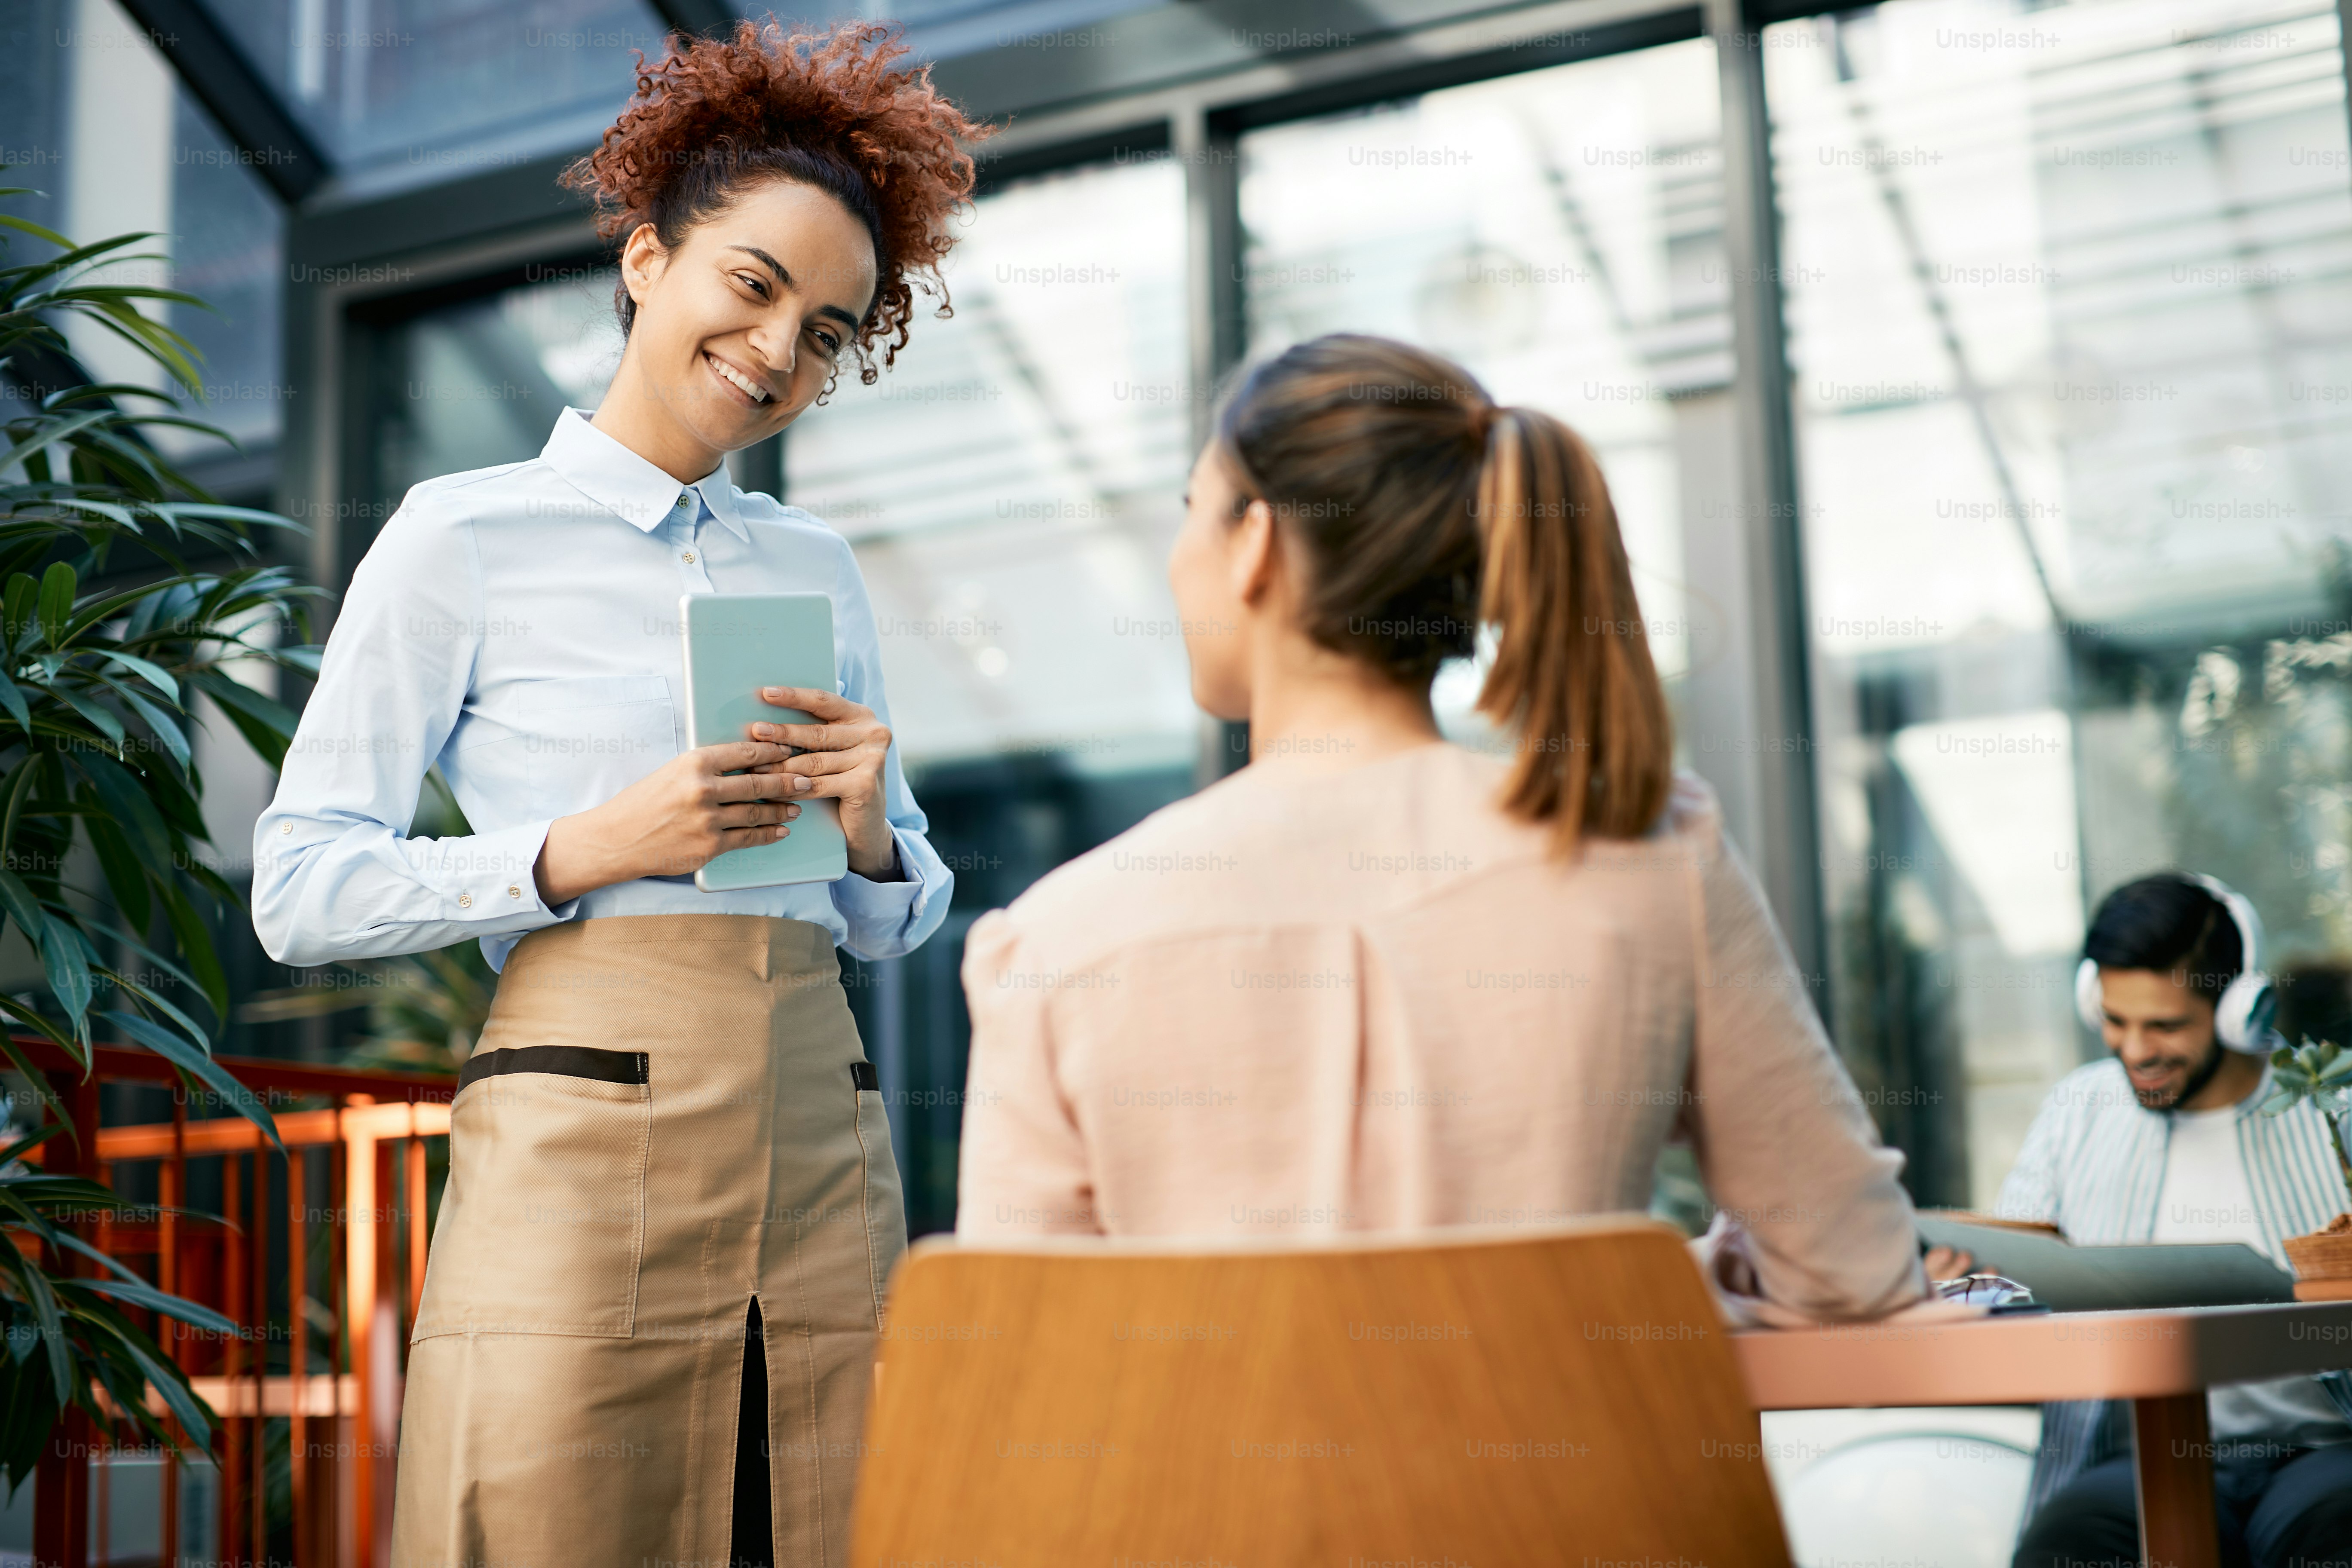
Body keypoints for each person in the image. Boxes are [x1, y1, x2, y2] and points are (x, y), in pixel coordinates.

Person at [249, 23, 984, 1568]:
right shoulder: (463, 536)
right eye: (754, 283)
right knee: (550, 1515)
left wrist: (868, 830)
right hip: (584, 1126)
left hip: (820, 1119)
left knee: (830, 1518)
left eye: (832, 329)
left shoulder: (816, 565)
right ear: (648, 256)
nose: (782, 350)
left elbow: (889, 911)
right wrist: (587, 847)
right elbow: (301, 885)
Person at [951, 332, 1931, 1325]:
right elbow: (1851, 1271)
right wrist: (1656, 1290)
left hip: (1217, 1486)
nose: (1176, 558)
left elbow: (1020, 1375)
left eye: (1191, 513)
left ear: (1256, 543)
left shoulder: (1054, 943)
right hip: (1577, 1481)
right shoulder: (1652, 858)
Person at [2001, 873, 2352, 1568]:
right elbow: (2012, 1273)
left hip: (2322, 1450)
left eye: (2164, 1025)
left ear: (2236, 1011)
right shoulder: (2076, 1114)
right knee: (2067, 1549)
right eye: (2115, 1020)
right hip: (2137, 1459)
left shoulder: (2333, 1110)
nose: (2135, 1050)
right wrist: (1973, 1280)